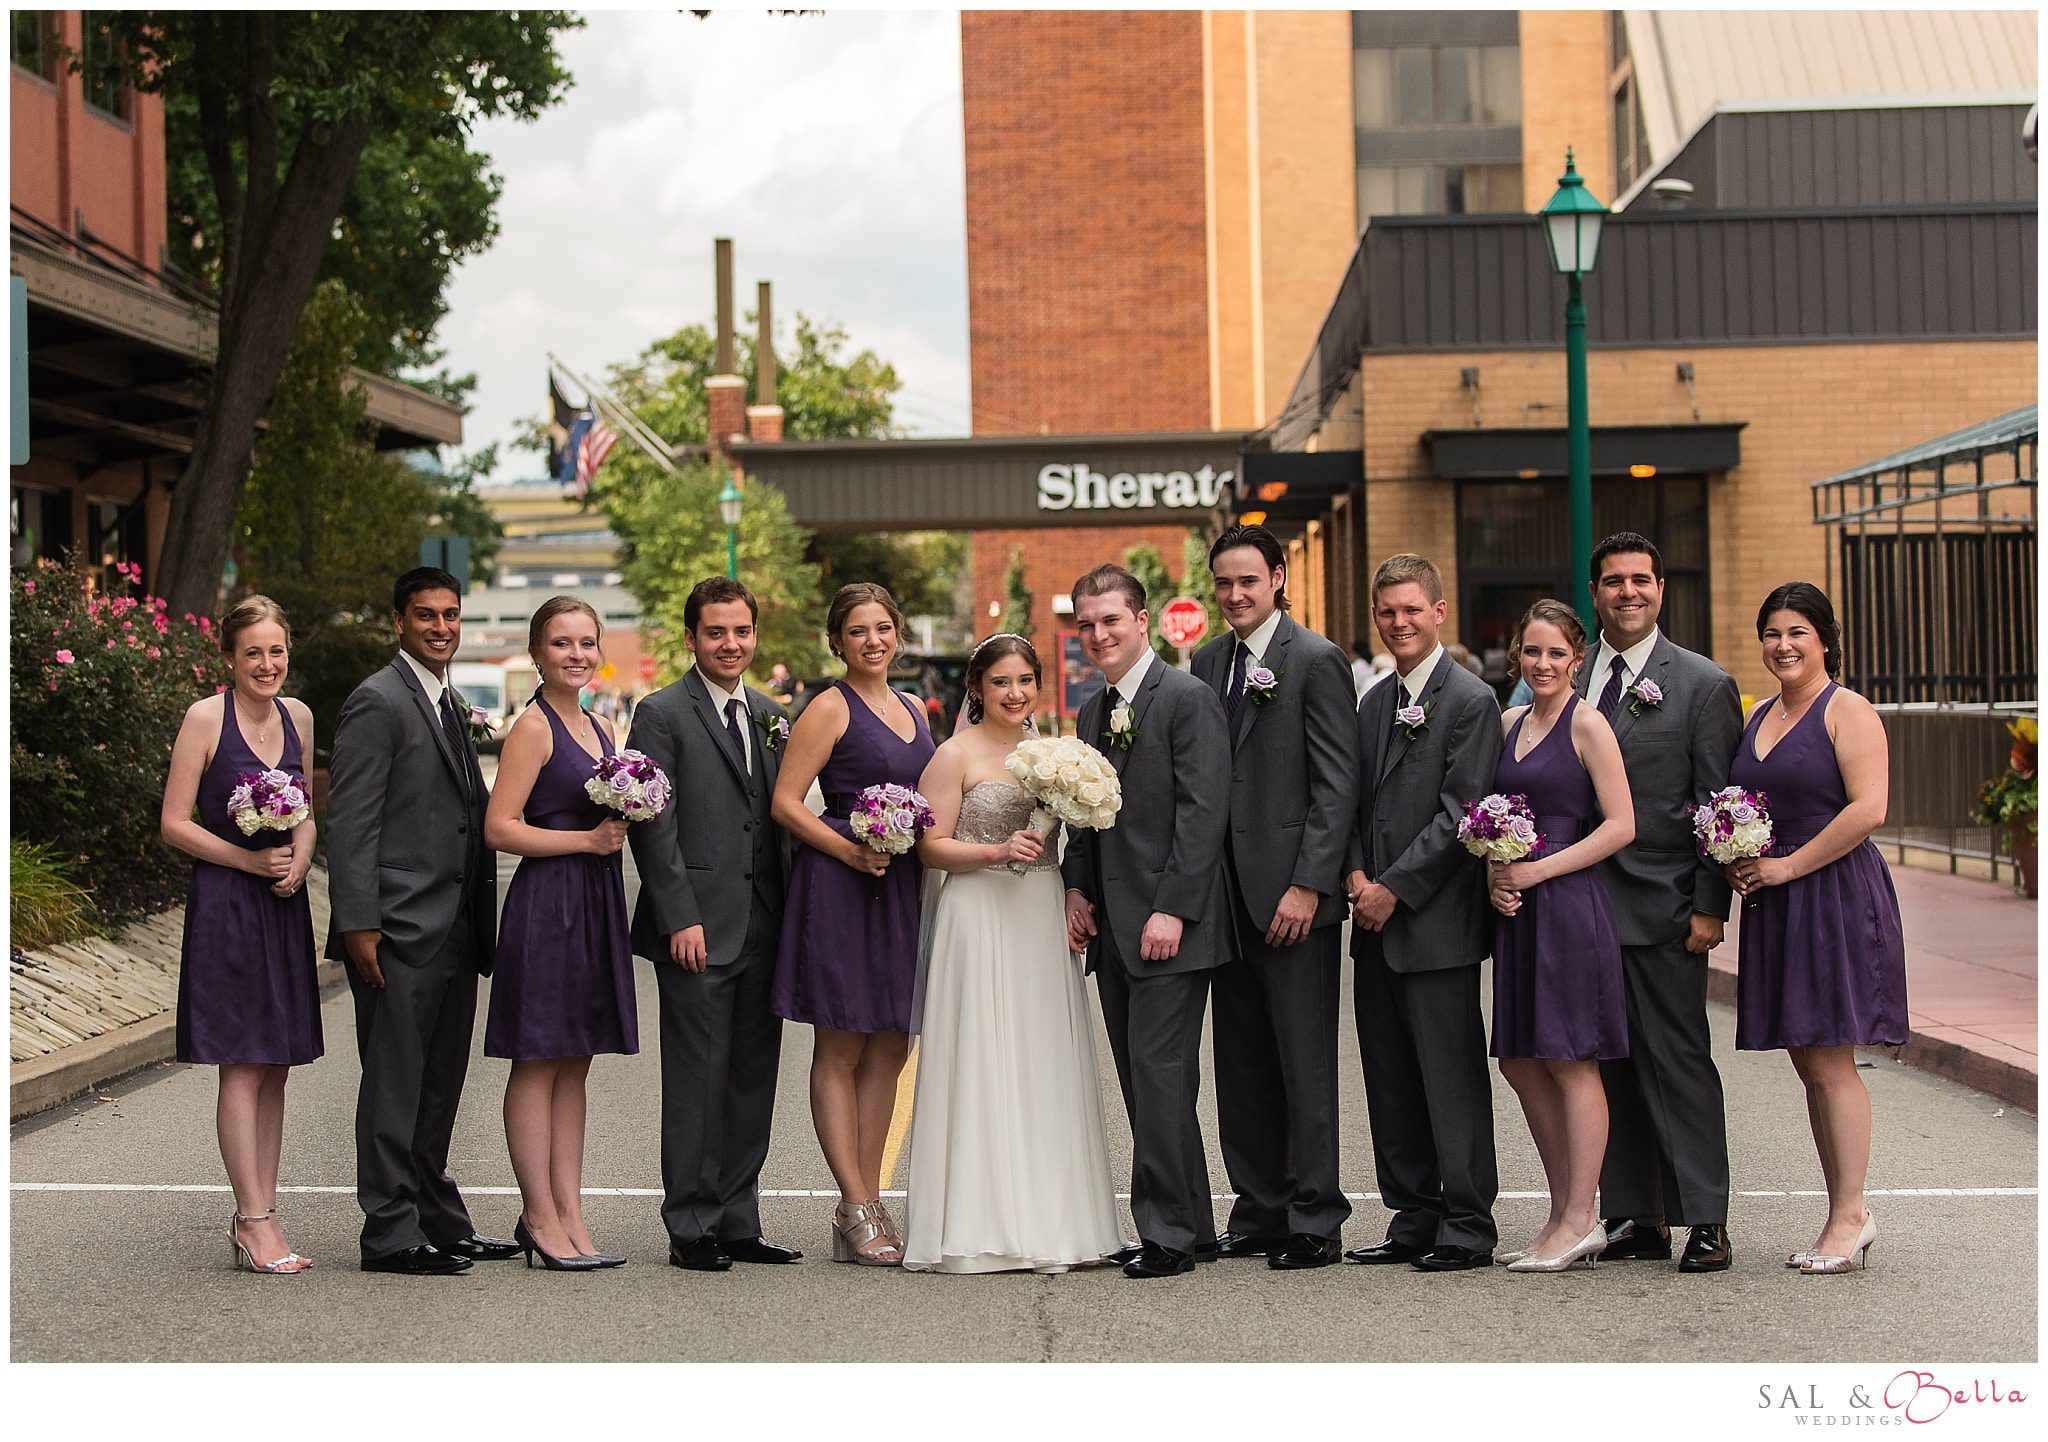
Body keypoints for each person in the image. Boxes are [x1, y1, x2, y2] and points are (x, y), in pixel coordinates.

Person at [901, 634, 1122, 1274]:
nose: (1015, 692)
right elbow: (931, 847)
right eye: (1001, 681)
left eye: (1025, 679)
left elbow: (1076, 837)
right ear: (977, 687)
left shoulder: (1053, 754)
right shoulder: (953, 756)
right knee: (981, 1055)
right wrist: (997, 852)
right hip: (976, 912)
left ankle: (1056, 1220)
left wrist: (1071, 886)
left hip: (1038, 913)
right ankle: (980, 1221)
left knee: (1041, 1056)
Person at [326, 567, 515, 1276]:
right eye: (425, 615)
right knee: (395, 1085)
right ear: (398, 621)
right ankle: (389, 1233)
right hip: (398, 931)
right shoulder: (378, 702)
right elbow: (351, 823)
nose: (441, 627)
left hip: (455, 928)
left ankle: (439, 1220)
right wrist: (359, 925)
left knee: (439, 1086)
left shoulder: (445, 700)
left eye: (450, 615)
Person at [1726, 582, 1906, 1276]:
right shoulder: (1761, 713)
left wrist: (1788, 866)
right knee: (1809, 1060)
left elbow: (1869, 809)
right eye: (1772, 632)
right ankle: (1843, 1209)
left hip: (1831, 893)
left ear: (1826, 639)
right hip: (1779, 897)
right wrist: (1741, 859)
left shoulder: (1848, 711)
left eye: (1798, 631)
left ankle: (1852, 1213)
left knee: (1831, 1059)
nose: (1784, 645)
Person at [1191, 524, 1358, 1269]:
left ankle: (1316, 1217)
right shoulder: (1207, 661)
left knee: (1304, 1065)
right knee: (1243, 1064)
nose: (1234, 596)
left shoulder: (1316, 661)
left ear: (1279, 578)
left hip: (1294, 902)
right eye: (1223, 583)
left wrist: (1307, 885)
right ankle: (1257, 1207)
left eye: (1247, 582)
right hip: (1225, 900)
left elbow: (1336, 785)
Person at [1578, 532, 1743, 1273]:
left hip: (1666, 905)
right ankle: (1636, 1214)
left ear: (1661, 588)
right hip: (1582, 911)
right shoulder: (1569, 672)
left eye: (1640, 579)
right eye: (1613, 581)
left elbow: (1718, 805)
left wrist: (1710, 907)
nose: (1627, 592)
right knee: (1608, 1062)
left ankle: (1705, 1217)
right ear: (1596, 593)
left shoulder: (1703, 685)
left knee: (1678, 1062)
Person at [1061, 564, 1231, 1279]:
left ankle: (1164, 1236)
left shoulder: (1186, 699)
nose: (1099, 634)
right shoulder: (1091, 713)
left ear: (1143, 620)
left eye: (1112, 620)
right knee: (1143, 1079)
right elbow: (1082, 818)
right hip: (1114, 928)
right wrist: (1075, 889)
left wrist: (1171, 909)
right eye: (1088, 624)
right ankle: (1191, 1222)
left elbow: (1202, 814)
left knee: (1159, 1074)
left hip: (1171, 927)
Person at [627, 578, 801, 1273]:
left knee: (754, 1074)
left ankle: (738, 1218)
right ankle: (691, 1223)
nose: (731, 644)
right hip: (698, 926)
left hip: (765, 922)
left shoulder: (769, 713)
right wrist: (679, 915)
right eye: (716, 633)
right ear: (693, 637)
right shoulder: (661, 713)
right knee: (698, 1076)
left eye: (741, 632)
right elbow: (652, 820)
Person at [1342, 554, 1502, 1273]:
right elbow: (1346, 801)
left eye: (1412, 609)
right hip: (1372, 923)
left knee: (1448, 1075)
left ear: (1439, 612)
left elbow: (1460, 815)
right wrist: (1352, 874)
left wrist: (1391, 889)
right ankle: (1414, 1212)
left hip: (1433, 923)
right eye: (1387, 611)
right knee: (1391, 1074)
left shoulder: (1471, 701)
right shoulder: (1373, 701)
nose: (1399, 622)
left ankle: (1467, 1222)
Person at [771, 583, 935, 1265]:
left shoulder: (913, 707)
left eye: (883, 628)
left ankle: (863, 1201)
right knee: (841, 1047)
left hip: (900, 889)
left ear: (898, 634)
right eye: (858, 631)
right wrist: (847, 847)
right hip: (841, 886)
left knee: (891, 1046)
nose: (873, 640)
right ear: (837, 642)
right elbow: (786, 802)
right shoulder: (827, 708)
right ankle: (857, 1202)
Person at [160, 596, 322, 1274]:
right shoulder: (205, 718)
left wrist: (302, 857)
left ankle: (263, 1209)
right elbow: (174, 823)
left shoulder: (300, 717)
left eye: (276, 651)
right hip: (229, 899)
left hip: (282, 901)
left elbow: (308, 809)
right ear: (229, 656)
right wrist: (248, 860)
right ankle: (253, 1221)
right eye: (253, 652)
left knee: (278, 1060)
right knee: (244, 1059)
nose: (266, 664)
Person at [482, 597, 637, 1272]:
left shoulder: (603, 729)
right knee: (538, 1057)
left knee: (577, 1060)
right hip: (549, 902)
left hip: (595, 901)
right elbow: (500, 826)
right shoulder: (533, 729)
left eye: (584, 643)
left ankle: (571, 1210)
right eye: (560, 643)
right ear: (539, 652)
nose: (575, 654)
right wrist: (586, 839)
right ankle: (538, 1214)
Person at [1486, 600, 1635, 1273]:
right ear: (1517, 656)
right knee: (1521, 1058)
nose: (1542, 664)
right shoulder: (1510, 721)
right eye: (1532, 652)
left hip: (1571, 906)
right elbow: (1493, 817)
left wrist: (1539, 868)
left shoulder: (1589, 725)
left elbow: (1621, 824)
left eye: (1556, 654)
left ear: (1578, 659)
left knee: (1573, 1057)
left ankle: (1582, 1217)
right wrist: (1495, 872)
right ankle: (1558, 1210)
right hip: (1517, 912)